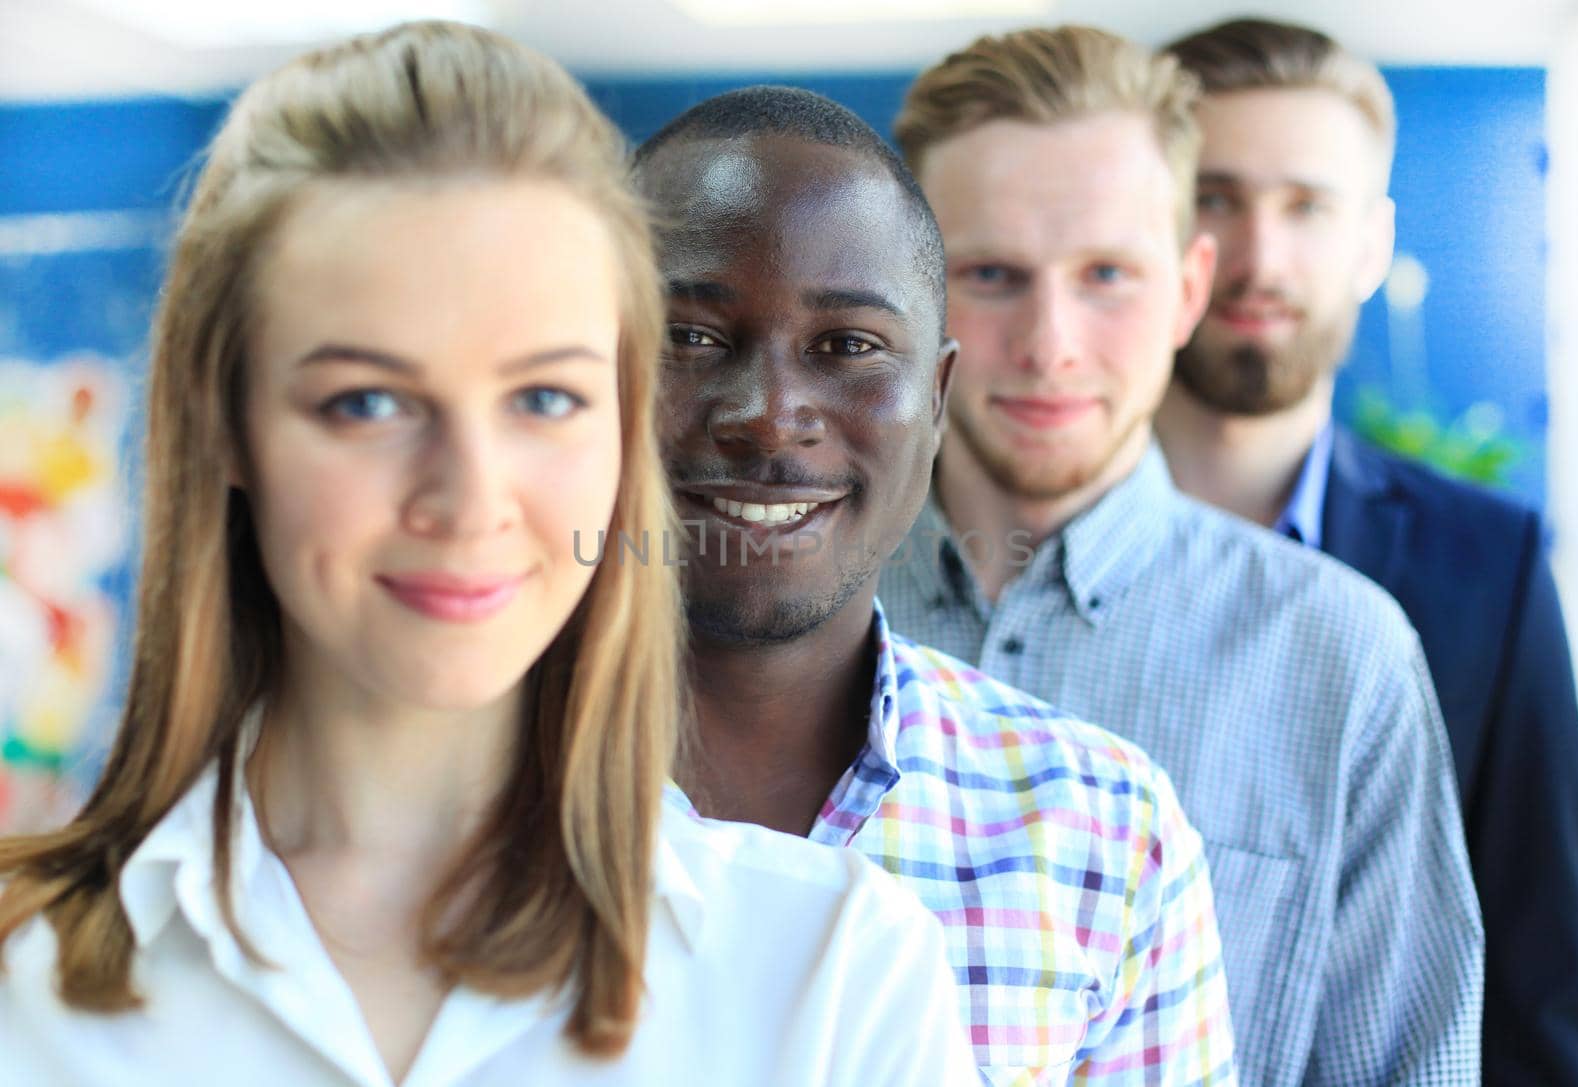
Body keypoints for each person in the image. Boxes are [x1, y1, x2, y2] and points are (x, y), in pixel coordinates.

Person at [0, 22, 979, 1087]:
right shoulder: (24, 979)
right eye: (367, 401)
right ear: (224, 419)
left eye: (543, 397)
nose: (470, 498)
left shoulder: (832, 974)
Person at [878, 25, 1485, 1085]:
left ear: (1190, 289)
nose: (1051, 341)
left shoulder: (1342, 658)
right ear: (908, 285)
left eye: (1107, 273)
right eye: (991, 273)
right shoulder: (765, 617)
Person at [634, 85, 1236, 1085]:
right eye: (690, 338)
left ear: (938, 400)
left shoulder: (1102, 832)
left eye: (848, 347)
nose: (769, 416)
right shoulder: (434, 785)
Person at [1158, 18, 1578, 1084]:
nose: (1260, 256)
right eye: (1214, 197)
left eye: (1306, 204)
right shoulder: (1014, 540)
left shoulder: (1484, 565)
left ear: (1371, 244)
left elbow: (1546, 980)